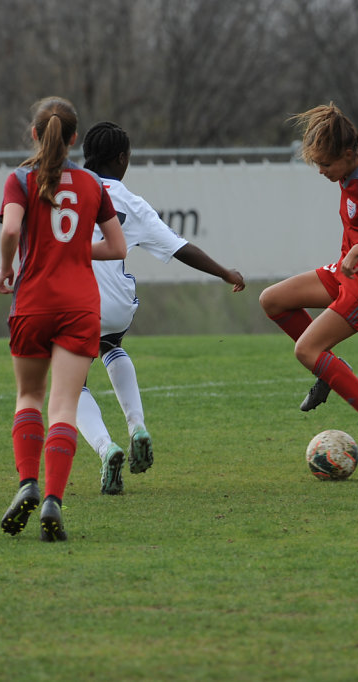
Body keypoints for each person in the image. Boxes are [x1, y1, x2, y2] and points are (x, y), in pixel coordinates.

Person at [76, 121, 246, 495]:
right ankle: (136, 425)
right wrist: (224, 272)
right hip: (116, 304)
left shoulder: (65, 187)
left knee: (71, 382)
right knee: (110, 345)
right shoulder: (130, 202)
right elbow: (179, 248)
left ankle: (107, 450)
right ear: (122, 159)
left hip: (72, 301)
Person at [0, 97, 126, 542]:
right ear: (73, 139)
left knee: (28, 395)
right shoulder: (91, 183)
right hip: (80, 307)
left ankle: (27, 483)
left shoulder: (19, 179)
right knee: (64, 406)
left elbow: (11, 230)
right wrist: (72, 252)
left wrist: (6, 268)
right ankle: (53, 499)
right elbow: (117, 247)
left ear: (34, 133)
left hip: (32, 302)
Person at [258, 103, 358, 458]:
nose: (321, 172)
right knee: (272, 299)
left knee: (306, 350)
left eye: (326, 164)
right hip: (350, 274)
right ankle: (332, 370)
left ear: (347, 155)